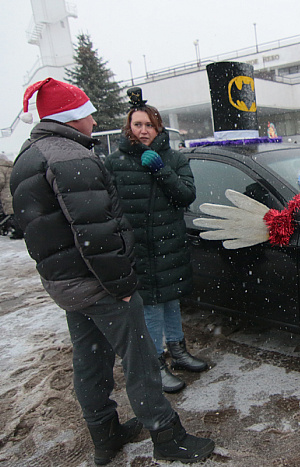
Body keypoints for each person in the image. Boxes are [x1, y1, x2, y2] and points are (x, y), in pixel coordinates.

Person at [10, 77, 214, 465]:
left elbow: (35, 226)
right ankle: (167, 436)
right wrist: (121, 284)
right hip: (100, 283)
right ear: (71, 117)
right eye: (86, 111)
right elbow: (95, 231)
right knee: (140, 363)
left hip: (67, 283)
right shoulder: (72, 157)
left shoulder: (30, 155)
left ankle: (105, 434)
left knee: (89, 360)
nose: (91, 118)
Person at [105, 87, 208, 394]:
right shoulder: (114, 162)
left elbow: (186, 195)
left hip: (169, 243)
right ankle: (156, 363)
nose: (144, 130)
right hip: (137, 247)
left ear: (158, 128)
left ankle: (178, 351)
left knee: (171, 300)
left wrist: (161, 170)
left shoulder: (173, 159)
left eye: (149, 125)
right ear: (129, 128)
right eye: (138, 125)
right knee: (150, 306)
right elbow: (109, 206)